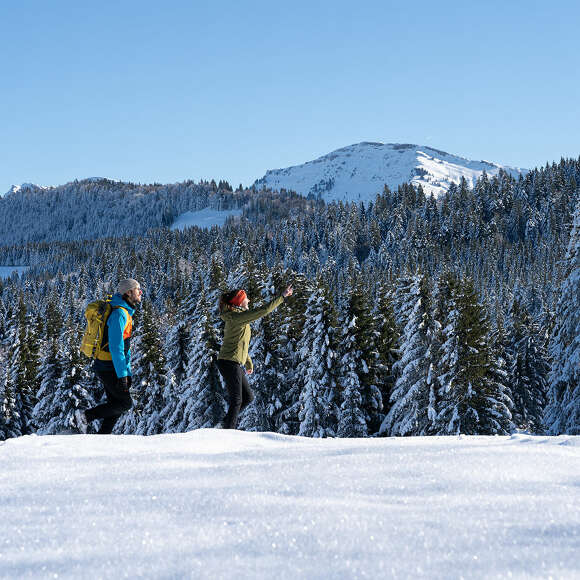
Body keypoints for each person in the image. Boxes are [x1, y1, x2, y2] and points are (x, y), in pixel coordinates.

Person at [217, 285, 293, 429]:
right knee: (237, 399)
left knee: (247, 397)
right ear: (240, 302)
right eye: (246, 299)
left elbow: (240, 343)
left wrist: (248, 362)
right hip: (228, 362)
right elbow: (263, 311)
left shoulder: (238, 318)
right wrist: (281, 297)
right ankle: (227, 431)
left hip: (234, 361)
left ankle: (225, 424)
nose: (249, 300)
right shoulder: (236, 317)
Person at [75, 278, 143, 434]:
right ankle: (85, 416)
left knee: (116, 405)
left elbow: (125, 348)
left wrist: (127, 372)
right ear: (128, 292)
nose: (140, 292)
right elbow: (116, 347)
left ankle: (102, 438)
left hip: (110, 366)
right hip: (107, 367)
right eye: (137, 289)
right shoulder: (119, 313)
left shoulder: (124, 311)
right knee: (125, 403)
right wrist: (122, 376)